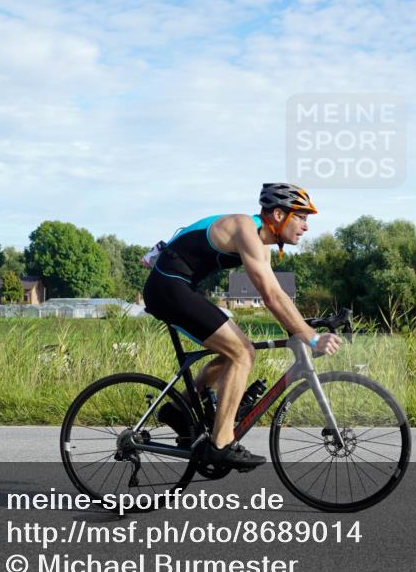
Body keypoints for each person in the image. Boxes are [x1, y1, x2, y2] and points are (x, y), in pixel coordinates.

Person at [142, 183, 342, 470]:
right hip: (168, 287)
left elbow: (276, 292)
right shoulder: (244, 229)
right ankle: (221, 444)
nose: (306, 226)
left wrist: (301, 325)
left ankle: (178, 409)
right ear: (277, 214)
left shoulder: (261, 243)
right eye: (301, 217)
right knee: (242, 353)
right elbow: (270, 296)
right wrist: (310, 337)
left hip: (180, 286)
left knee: (231, 351)